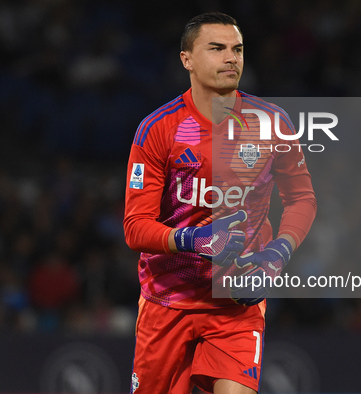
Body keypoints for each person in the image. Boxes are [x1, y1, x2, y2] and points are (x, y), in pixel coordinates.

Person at [124, 12, 316, 394]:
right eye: (217, 48)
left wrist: (279, 251)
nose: (232, 58)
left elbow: (302, 200)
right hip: (168, 301)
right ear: (187, 59)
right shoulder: (158, 129)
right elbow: (135, 227)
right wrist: (192, 239)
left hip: (236, 303)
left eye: (238, 49)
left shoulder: (272, 122)